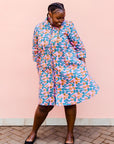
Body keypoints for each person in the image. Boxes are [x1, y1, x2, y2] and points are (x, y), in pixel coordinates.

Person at [25, 2, 99, 144]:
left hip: (67, 71)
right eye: (58, 18)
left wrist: (81, 65)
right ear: (49, 15)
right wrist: (41, 69)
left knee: (70, 102)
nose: (61, 21)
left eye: (63, 18)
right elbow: (35, 50)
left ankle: (70, 135)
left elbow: (79, 46)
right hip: (48, 73)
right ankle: (33, 132)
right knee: (44, 105)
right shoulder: (39, 28)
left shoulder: (69, 26)